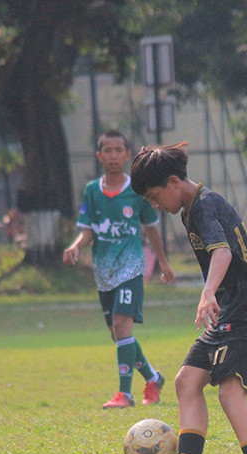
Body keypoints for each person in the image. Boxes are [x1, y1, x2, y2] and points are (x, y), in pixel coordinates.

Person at [129, 142, 247, 454]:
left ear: (172, 182)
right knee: (187, 381)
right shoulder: (190, 208)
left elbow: (223, 251)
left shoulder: (204, 204)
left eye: (155, 197)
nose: (155, 206)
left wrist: (208, 292)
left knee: (230, 392)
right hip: (230, 310)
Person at [63, 129, 175, 409]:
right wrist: (76, 245)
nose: (113, 156)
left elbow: (151, 229)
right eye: (108, 150)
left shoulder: (137, 191)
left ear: (127, 155)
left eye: (118, 150)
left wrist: (163, 262)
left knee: (122, 326)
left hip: (130, 269)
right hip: (104, 273)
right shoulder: (92, 190)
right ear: (99, 155)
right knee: (119, 334)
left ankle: (125, 394)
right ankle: (153, 377)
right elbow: (88, 231)